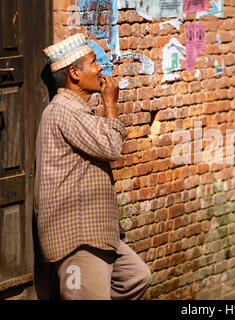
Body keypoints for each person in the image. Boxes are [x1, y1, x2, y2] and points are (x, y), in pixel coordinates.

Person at [34, 33, 152, 300]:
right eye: (93, 62)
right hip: (77, 240)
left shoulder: (79, 111)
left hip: (98, 235)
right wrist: (111, 103)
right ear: (74, 74)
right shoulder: (63, 110)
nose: (100, 67)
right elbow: (111, 148)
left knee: (136, 277)